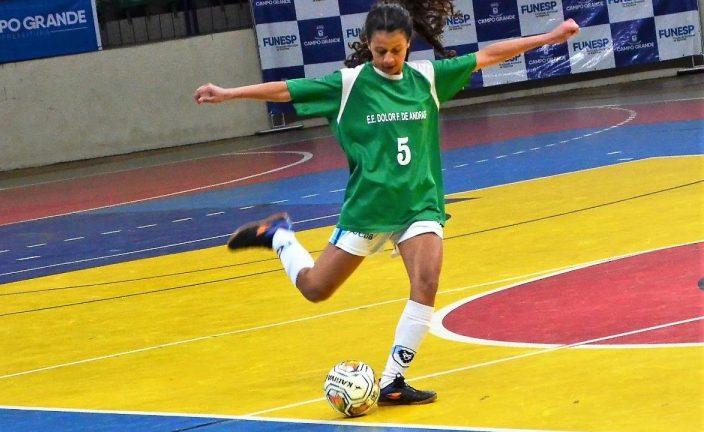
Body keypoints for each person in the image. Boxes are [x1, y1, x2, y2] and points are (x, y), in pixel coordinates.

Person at [195, 0, 579, 405]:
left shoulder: (427, 79)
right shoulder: (348, 85)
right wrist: (228, 94)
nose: (389, 58)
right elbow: (286, 89)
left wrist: (551, 36)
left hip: (419, 206)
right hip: (368, 209)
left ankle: (394, 381)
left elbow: (487, 55)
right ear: (368, 45)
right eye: (381, 51)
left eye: (396, 50)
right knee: (315, 289)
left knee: (426, 282)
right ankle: (279, 237)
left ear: (408, 43)